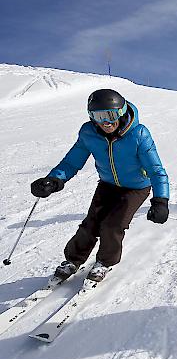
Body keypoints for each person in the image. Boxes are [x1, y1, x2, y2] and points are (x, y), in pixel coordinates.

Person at [30, 89, 169, 282]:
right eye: (98, 116)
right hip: (108, 184)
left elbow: (156, 170)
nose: (106, 122)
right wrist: (53, 180)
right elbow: (72, 161)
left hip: (136, 188)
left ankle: (104, 262)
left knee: (113, 225)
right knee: (91, 223)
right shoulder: (89, 133)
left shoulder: (139, 134)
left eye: (110, 115)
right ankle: (73, 260)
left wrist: (161, 200)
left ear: (120, 112)